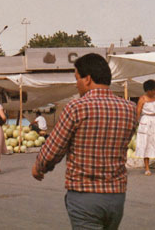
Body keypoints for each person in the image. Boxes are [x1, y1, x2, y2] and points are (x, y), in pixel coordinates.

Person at [32, 53, 137, 230]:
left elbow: (53, 150)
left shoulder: (76, 108)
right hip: (116, 196)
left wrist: (39, 167)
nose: (76, 83)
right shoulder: (130, 109)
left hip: (85, 196)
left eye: (77, 78)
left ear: (87, 79)